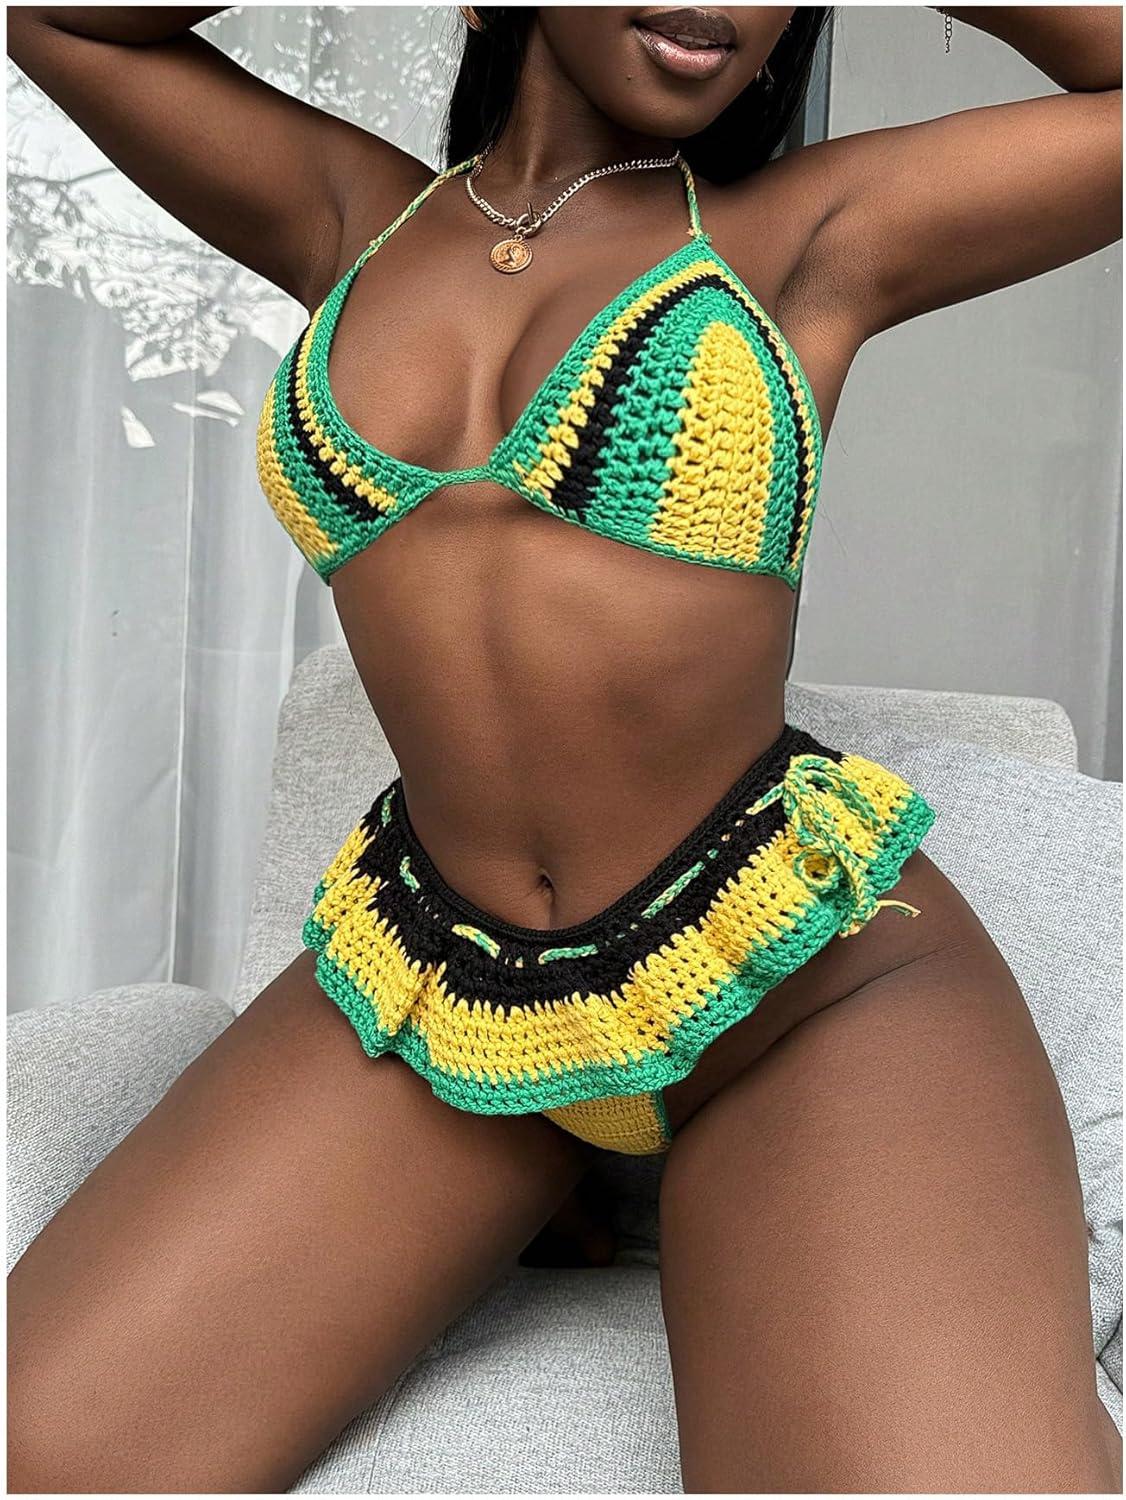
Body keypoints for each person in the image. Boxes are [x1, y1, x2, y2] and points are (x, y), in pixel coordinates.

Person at [6, 5, 1122, 1492]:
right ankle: (553, 1181)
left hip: (794, 983)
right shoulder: (344, 216)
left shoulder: (803, 233)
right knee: (48, 1452)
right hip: (442, 979)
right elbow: (61, 21)